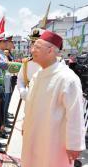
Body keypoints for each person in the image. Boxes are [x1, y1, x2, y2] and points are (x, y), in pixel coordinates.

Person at [21, 30, 86, 167]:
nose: (32, 50)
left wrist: (74, 144)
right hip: (33, 136)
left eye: (37, 47)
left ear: (50, 51)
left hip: (54, 142)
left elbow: (75, 114)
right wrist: (25, 124)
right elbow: (30, 105)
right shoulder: (37, 76)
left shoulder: (67, 79)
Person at [17, 29, 41, 100]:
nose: (34, 47)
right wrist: (22, 90)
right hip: (30, 99)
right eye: (33, 44)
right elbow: (20, 79)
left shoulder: (52, 63)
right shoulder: (26, 63)